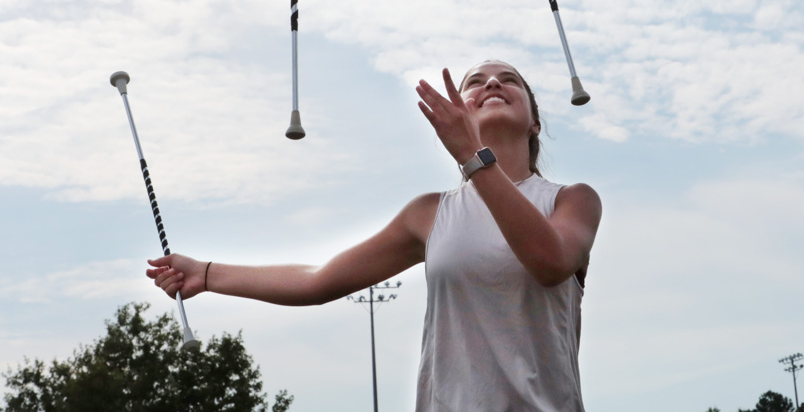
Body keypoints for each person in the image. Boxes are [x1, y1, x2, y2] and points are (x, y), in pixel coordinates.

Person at [147, 61, 602, 411]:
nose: (493, 84)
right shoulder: (430, 213)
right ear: (459, 109)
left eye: (509, 80)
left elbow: (549, 263)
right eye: (477, 81)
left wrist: (470, 154)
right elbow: (317, 280)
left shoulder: (572, 200)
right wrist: (207, 274)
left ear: (535, 123)